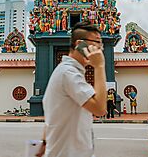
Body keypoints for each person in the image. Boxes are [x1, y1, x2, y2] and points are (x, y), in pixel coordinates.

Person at [36, 21, 107, 157]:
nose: (100, 48)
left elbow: (53, 115)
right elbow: (100, 109)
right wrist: (99, 67)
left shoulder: (66, 71)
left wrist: (44, 143)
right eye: (97, 42)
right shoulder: (69, 74)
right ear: (79, 44)